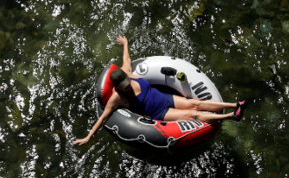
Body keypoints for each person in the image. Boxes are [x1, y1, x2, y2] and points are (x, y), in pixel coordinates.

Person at [72, 35, 247, 146]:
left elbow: (127, 58)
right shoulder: (116, 98)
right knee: (192, 114)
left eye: (128, 83)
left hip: (165, 98)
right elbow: (103, 118)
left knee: (196, 103)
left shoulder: (128, 73)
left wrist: (125, 43)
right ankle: (231, 116)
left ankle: (235, 104)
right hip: (160, 112)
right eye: (125, 86)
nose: (128, 86)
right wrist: (88, 136)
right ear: (118, 87)